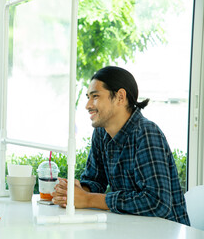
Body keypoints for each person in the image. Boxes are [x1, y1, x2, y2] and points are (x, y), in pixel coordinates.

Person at [52, 66, 190, 226]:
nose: (88, 105)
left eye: (95, 96)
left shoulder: (146, 133)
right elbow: (95, 179)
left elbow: (157, 202)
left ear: (120, 97)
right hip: (130, 228)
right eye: (88, 97)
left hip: (165, 230)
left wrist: (89, 199)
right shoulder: (101, 133)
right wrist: (79, 191)